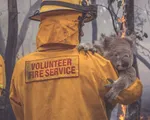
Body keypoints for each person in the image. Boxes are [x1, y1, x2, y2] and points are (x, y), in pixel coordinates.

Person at [9, 0, 143, 120]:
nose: (83, 33)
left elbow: (20, 112)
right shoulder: (94, 63)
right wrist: (128, 72)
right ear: (73, 23)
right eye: (81, 25)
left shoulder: (21, 67)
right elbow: (131, 93)